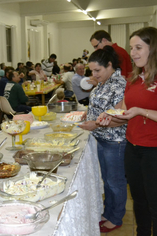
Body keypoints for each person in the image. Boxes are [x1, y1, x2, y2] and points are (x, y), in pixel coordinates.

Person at [97, 27, 157, 236]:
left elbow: (137, 110)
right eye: (132, 48)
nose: (133, 53)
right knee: (139, 201)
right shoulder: (134, 77)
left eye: (139, 47)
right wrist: (109, 116)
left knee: (154, 204)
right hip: (133, 147)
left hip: (153, 150)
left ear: (154, 49)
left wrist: (141, 111)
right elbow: (123, 106)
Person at [79, 45, 127, 233]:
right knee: (107, 180)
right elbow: (101, 106)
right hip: (102, 138)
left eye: (97, 70)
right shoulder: (104, 82)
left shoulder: (119, 84)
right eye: (92, 71)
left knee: (115, 181)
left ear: (109, 65)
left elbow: (119, 117)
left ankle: (116, 217)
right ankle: (108, 212)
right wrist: (87, 114)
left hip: (115, 140)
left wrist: (96, 124)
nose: (94, 74)